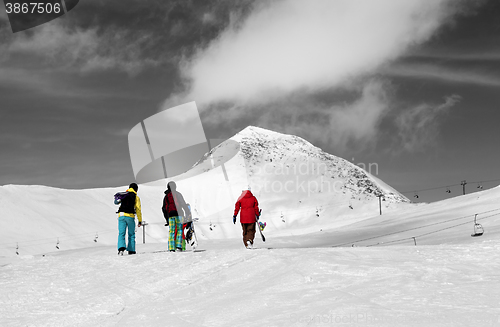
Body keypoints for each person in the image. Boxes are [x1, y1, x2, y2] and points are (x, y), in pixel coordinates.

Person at [162, 181, 189, 252]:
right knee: (180, 229)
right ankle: (178, 246)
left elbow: (164, 209)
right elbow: (183, 203)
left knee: (172, 231)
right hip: (179, 214)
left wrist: (167, 219)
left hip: (170, 215)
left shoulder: (166, 197)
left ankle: (171, 248)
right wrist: (187, 212)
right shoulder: (178, 194)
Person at [117, 183, 143, 255]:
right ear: (136, 189)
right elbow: (138, 209)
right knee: (131, 234)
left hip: (121, 215)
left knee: (121, 233)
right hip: (130, 216)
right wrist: (140, 220)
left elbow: (116, 202)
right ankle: (131, 250)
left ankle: (121, 249)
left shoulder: (124, 194)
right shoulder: (136, 197)